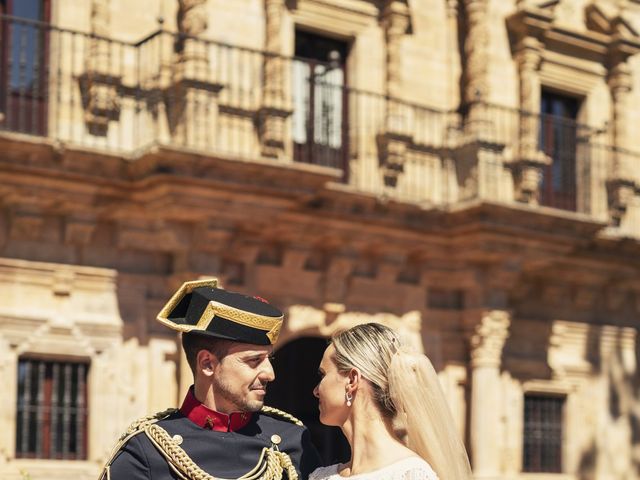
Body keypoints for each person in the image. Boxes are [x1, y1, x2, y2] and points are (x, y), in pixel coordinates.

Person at [99, 278, 321, 480]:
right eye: (254, 361)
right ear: (207, 364)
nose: (270, 374)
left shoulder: (292, 442)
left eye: (269, 359)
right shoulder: (147, 450)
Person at [310, 323, 472, 480]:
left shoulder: (411, 475)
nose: (315, 391)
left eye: (323, 375)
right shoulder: (321, 476)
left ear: (352, 380)